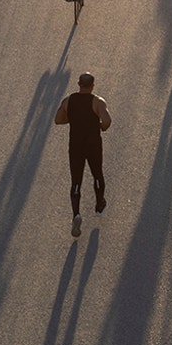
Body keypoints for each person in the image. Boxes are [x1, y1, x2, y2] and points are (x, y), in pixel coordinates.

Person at [54, 72, 111, 237]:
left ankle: (76, 214)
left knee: (76, 180)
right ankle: (99, 205)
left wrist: (72, 120)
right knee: (97, 174)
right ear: (93, 85)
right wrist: (101, 127)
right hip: (93, 144)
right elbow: (107, 121)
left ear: (78, 84)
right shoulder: (97, 102)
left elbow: (58, 119)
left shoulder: (68, 101)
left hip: (75, 146)